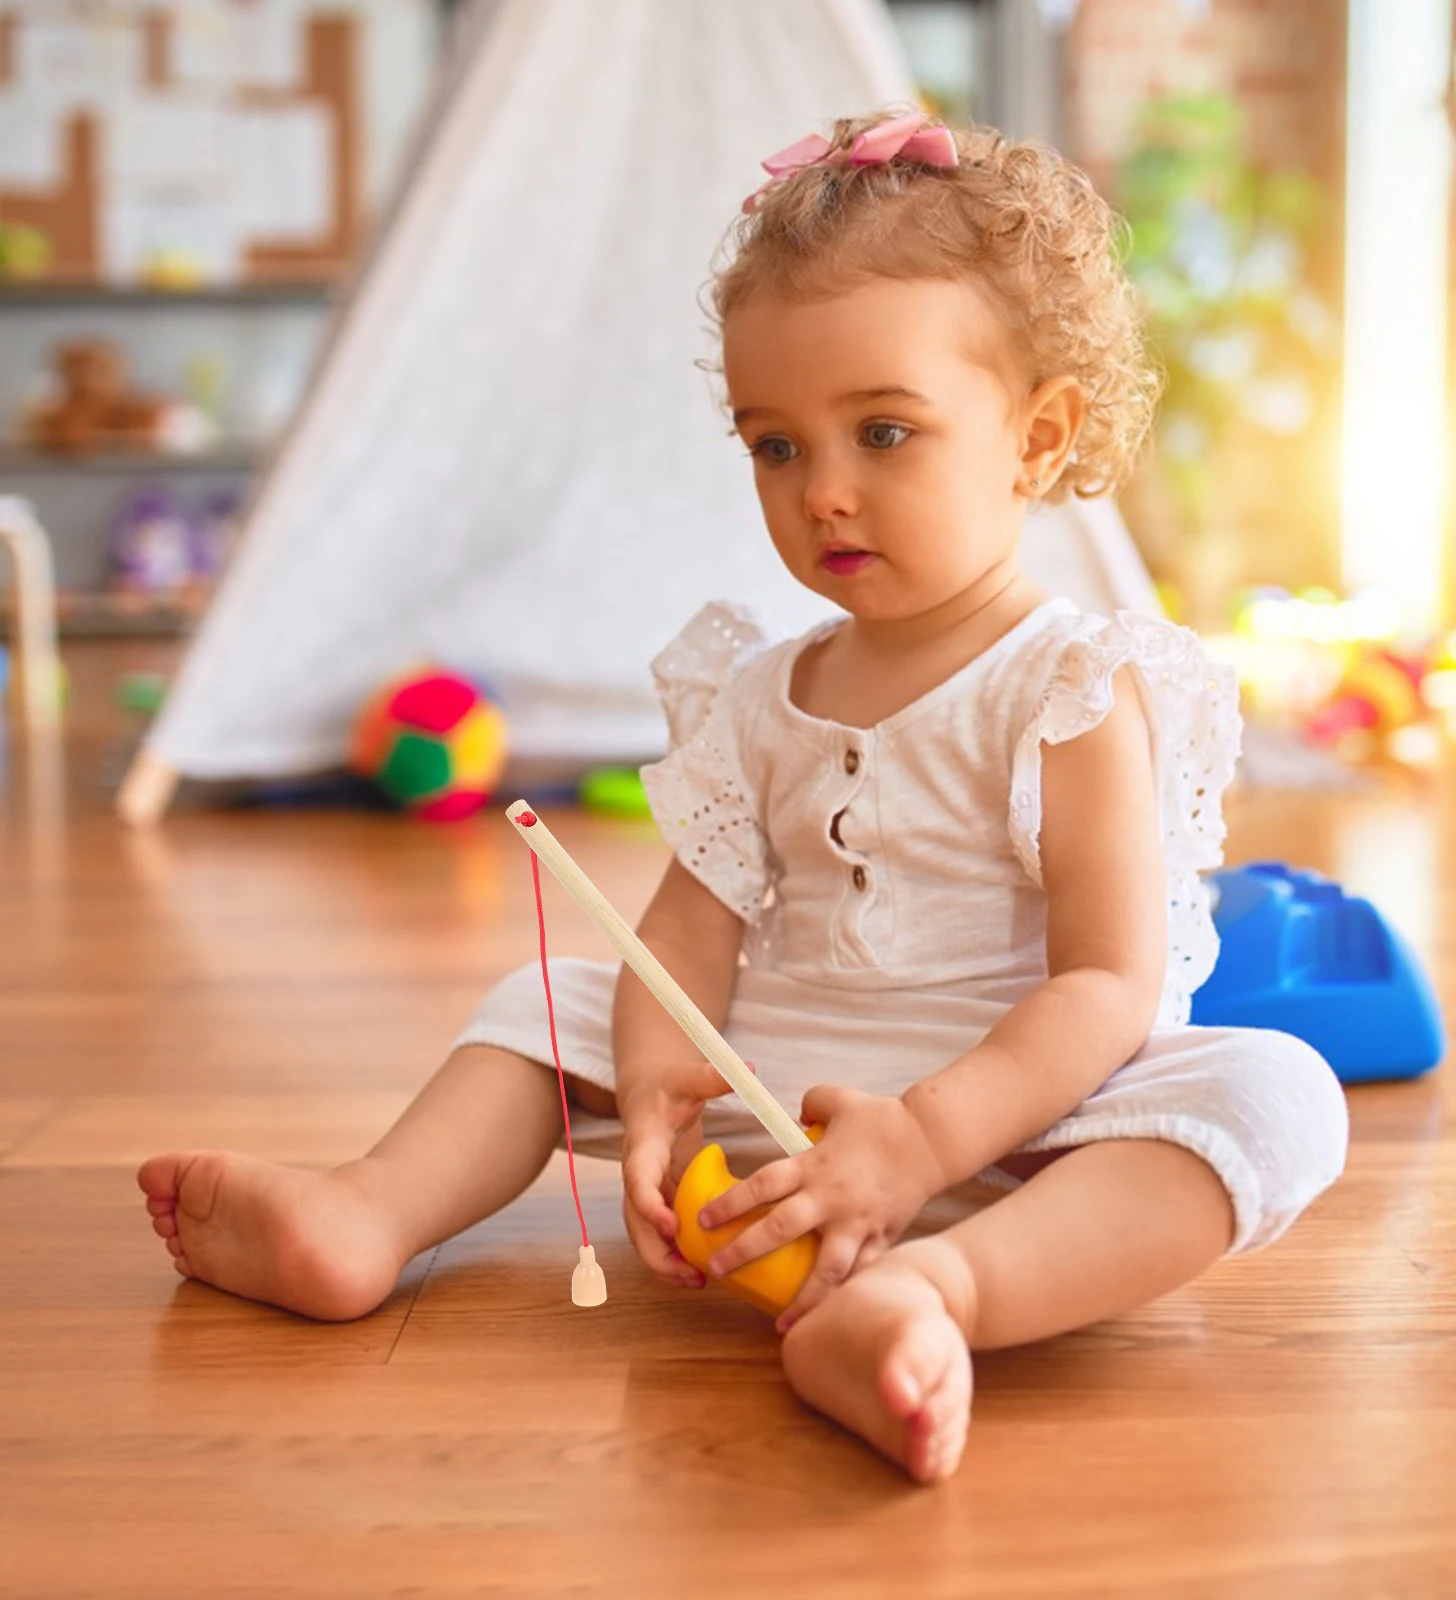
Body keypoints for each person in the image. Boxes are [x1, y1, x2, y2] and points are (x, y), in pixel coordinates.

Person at [139, 110, 1348, 1485]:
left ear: (1036, 435)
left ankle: (936, 1294)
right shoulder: (760, 691)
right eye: (774, 447)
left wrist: (928, 1136)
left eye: (883, 433)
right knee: (553, 1003)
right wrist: (658, 1083)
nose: (822, 492)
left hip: (1021, 1128)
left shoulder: (1073, 686)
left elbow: (1109, 987)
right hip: (776, 1102)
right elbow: (689, 932)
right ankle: (368, 1213)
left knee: (1275, 1091)